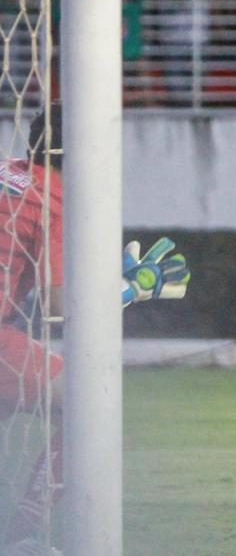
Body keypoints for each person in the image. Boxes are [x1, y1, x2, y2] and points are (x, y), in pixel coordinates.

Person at [1, 104, 191, 552]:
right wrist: (128, 290)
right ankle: (23, 535)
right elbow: (60, 304)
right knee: (87, 401)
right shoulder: (56, 196)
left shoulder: (8, 171)